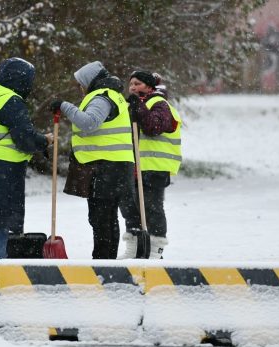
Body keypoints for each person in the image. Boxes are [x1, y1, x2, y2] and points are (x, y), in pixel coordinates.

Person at [0, 57, 53, 283]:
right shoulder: (10, 100)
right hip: (2, 168)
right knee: (0, 219)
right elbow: (24, 138)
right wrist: (44, 141)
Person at [50, 61, 134, 259]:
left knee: (101, 218)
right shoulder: (112, 95)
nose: (80, 88)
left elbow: (89, 123)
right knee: (107, 217)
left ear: (90, 81)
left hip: (106, 167)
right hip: (113, 166)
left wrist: (65, 106)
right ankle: (107, 261)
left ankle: (102, 261)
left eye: (81, 83)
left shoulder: (102, 98)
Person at [118, 71, 183, 259]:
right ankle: (134, 247)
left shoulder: (160, 104)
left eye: (137, 84)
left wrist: (138, 107)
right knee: (130, 208)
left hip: (154, 166)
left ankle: (156, 250)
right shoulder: (131, 105)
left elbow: (153, 127)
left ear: (149, 87)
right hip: (134, 167)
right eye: (131, 84)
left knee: (152, 208)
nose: (132, 87)